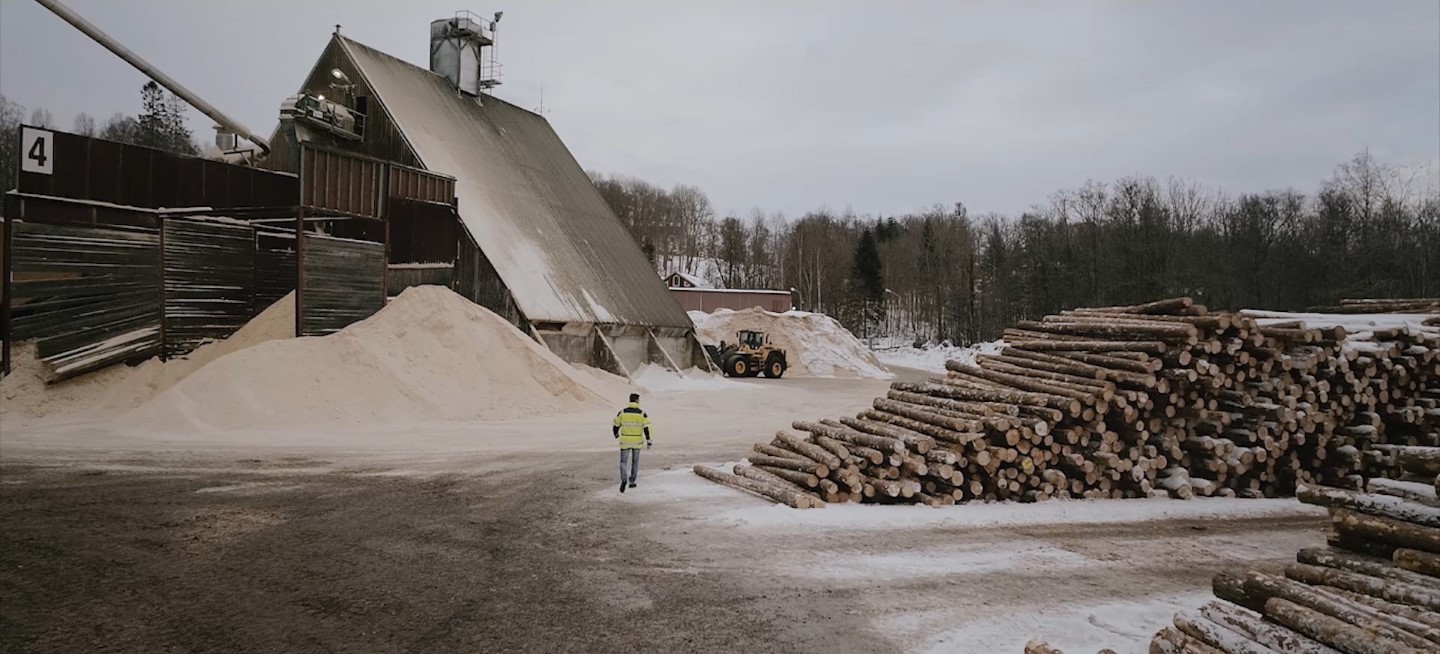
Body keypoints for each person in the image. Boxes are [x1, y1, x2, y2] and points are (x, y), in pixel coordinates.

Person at [612, 392, 652, 492]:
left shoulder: (622, 412)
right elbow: (647, 427)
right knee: (635, 461)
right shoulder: (642, 413)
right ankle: (632, 481)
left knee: (623, 462)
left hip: (625, 440)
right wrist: (648, 440)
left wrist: (616, 434)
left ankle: (624, 479)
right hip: (637, 441)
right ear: (637, 401)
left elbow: (615, 424)